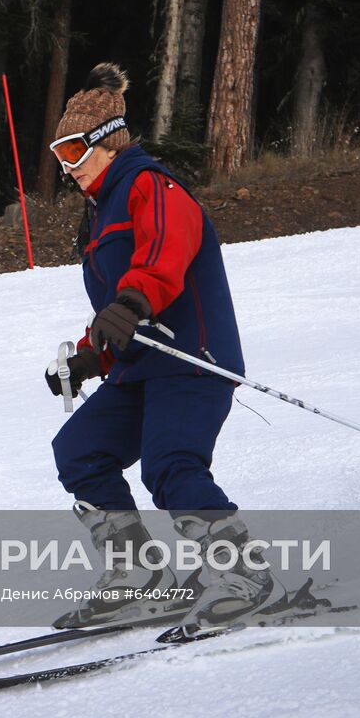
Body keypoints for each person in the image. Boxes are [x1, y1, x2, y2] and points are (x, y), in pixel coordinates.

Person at [42, 64, 280, 630]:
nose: (67, 166)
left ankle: (247, 575)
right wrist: (88, 357)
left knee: (172, 466)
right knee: (80, 450)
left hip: (191, 359)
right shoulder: (99, 214)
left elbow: (162, 259)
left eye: (74, 150)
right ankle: (138, 576)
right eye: (58, 154)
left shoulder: (152, 185)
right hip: (139, 368)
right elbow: (114, 312)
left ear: (106, 141)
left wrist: (130, 305)